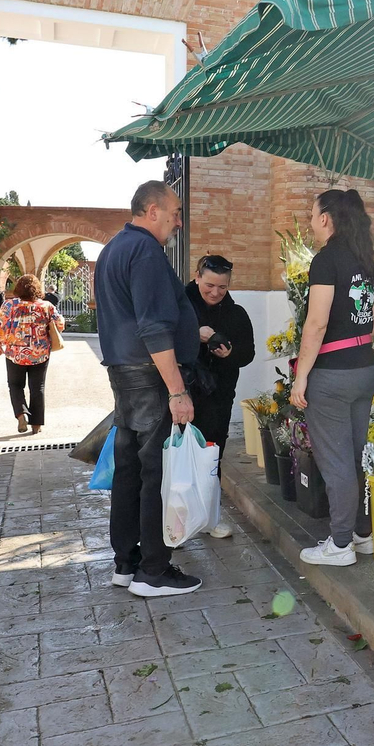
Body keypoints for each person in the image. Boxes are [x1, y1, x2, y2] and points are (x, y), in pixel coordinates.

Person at [95, 180, 203, 598]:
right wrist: (177, 390)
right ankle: (153, 571)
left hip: (125, 373)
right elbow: (154, 327)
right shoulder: (145, 252)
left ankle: (127, 563)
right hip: (151, 376)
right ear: (152, 210)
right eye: (175, 212)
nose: (179, 221)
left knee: (131, 470)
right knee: (157, 473)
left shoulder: (114, 248)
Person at [291, 189, 374, 566]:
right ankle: (362, 534)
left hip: (332, 375)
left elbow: (317, 322)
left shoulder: (327, 260)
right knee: (357, 455)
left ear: (326, 218)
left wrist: (300, 378)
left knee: (337, 461)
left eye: (312, 215)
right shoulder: (366, 259)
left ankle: (340, 544)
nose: (311, 222)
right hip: (365, 369)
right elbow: (373, 324)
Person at [184, 254, 256, 539]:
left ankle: (210, 517)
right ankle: (176, 521)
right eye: (209, 285)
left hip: (218, 397)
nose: (215, 292)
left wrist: (229, 353)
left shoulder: (235, 314)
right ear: (198, 276)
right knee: (178, 457)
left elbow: (248, 353)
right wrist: (193, 334)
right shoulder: (180, 305)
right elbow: (160, 339)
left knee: (212, 456)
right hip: (182, 394)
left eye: (222, 287)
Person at [0, 273, 63, 435]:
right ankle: (36, 425)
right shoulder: (46, 306)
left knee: (15, 385)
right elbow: (60, 324)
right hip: (40, 353)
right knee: (38, 387)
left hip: (15, 353)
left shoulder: (9, 305)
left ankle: (21, 413)